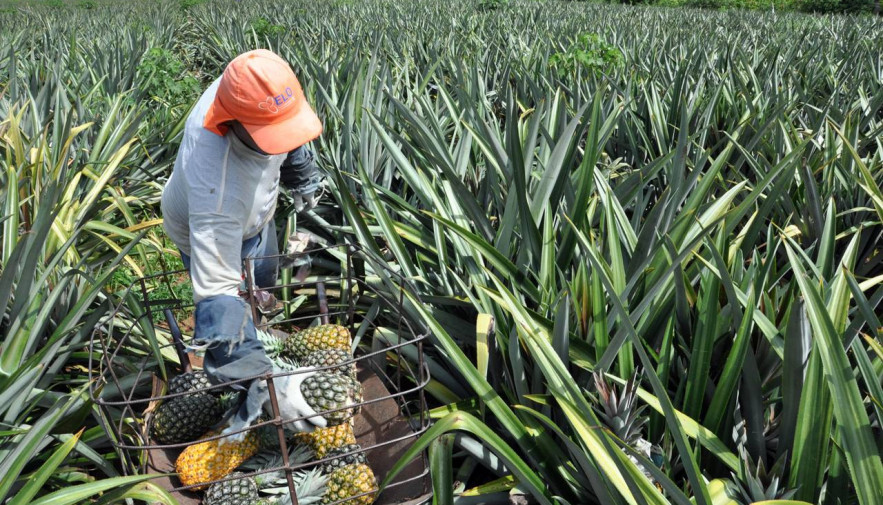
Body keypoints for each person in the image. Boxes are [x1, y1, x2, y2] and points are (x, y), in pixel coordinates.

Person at [161, 49, 326, 436]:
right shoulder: (215, 189)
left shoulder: (250, 86)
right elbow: (217, 297)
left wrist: (302, 173)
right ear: (232, 121)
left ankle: (260, 332)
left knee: (262, 280)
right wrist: (266, 385)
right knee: (232, 309)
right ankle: (250, 381)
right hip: (208, 228)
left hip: (255, 216)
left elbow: (286, 126)